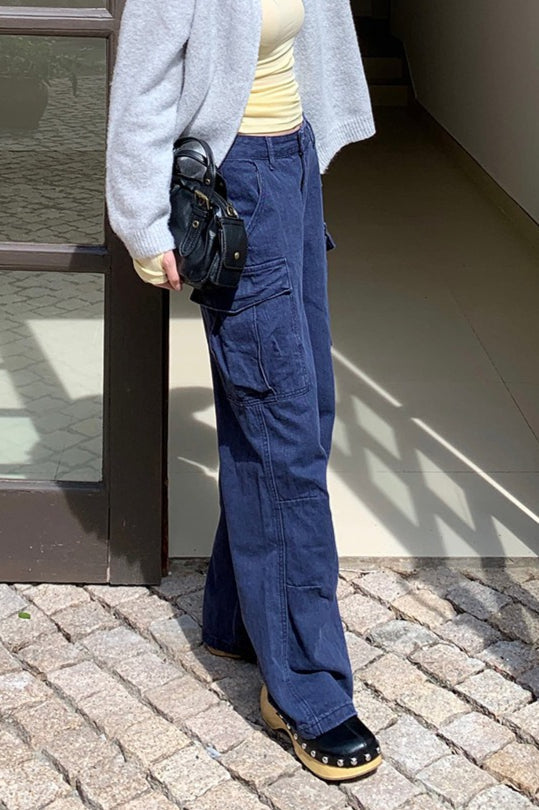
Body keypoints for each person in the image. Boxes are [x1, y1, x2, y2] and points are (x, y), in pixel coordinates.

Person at [106, 0, 381, 782]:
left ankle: (232, 620)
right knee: (281, 432)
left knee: (302, 410)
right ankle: (308, 691)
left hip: (291, 167)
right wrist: (144, 224)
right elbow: (142, 85)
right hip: (236, 181)